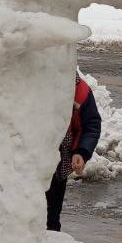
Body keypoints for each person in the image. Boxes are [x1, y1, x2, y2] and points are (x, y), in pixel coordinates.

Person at [46, 73, 101, 232]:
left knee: (51, 217)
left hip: (59, 163)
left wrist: (81, 152)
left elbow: (91, 125)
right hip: (29, 163)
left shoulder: (81, 90)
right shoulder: (34, 83)